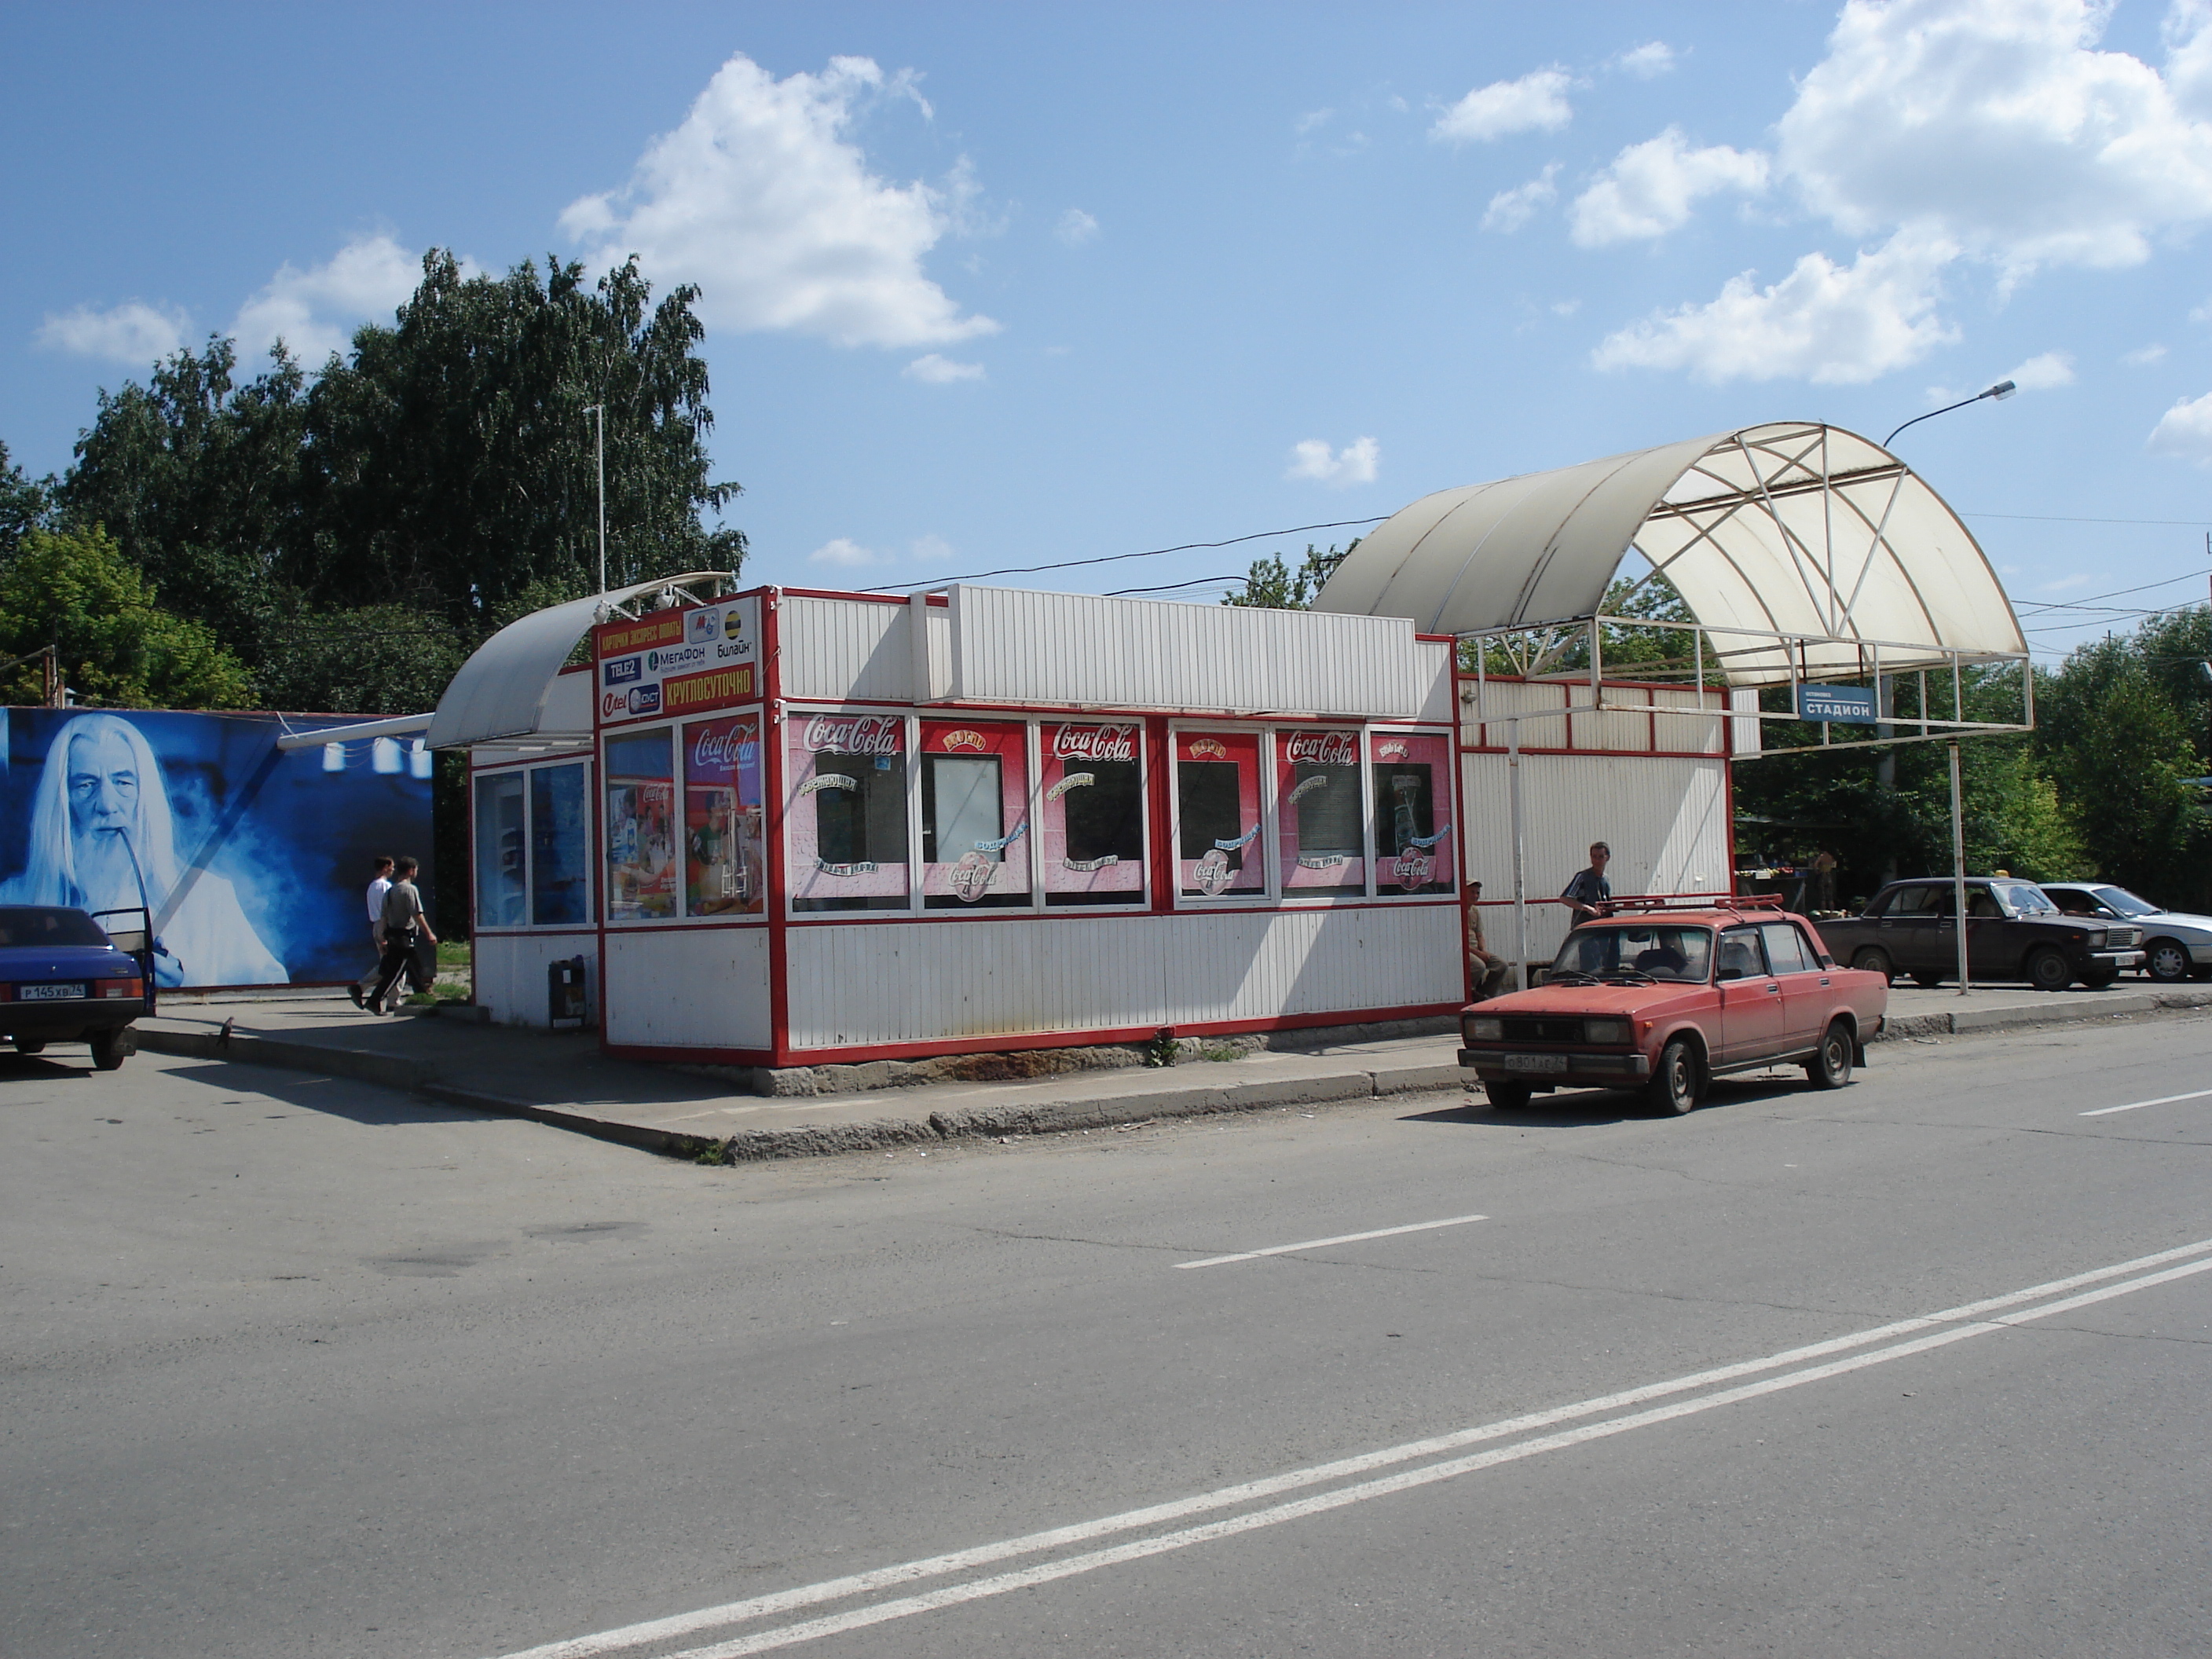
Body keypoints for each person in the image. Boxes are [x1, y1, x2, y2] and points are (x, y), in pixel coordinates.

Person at [0, 711, 286, 987]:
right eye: (85, 785)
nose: (107, 805)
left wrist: (185, 981)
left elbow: (269, 988)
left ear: (144, 794)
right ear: (62, 801)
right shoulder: (15, 898)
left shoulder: (205, 897)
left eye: (123, 783)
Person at [364, 856, 437, 1014]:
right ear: (411, 871)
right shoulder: (410, 890)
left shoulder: (391, 891)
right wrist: (429, 933)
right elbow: (417, 914)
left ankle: (423, 996)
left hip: (392, 935)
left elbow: (384, 916)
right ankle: (375, 1000)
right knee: (399, 972)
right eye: (416, 870)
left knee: (407, 970)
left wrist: (382, 938)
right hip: (404, 937)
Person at [348, 855, 394, 1009]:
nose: (393, 870)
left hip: (376, 925)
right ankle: (392, 1001)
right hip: (385, 926)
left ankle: (364, 989)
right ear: (386, 867)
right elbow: (387, 910)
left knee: (389, 964)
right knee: (392, 965)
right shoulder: (385, 887)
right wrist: (387, 932)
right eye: (392, 866)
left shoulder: (372, 887)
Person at [1464, 881, 1510, 1002]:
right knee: (1479, 966)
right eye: (1472, 892)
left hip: (1477, 950)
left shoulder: (1474, 911)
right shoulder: (1457, 910)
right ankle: (1469, 992)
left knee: (1501, 965)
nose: (1475, 896)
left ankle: (1485, 994)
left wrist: (1484, 951)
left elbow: (1480, 934)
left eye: (1477, 893)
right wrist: (1479, 954)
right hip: (1464, 950)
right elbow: (1458, 941)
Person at [1561, 840, 1612, 925]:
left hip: (1603, 925)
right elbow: (1565, 898)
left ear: (1608, 858)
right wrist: (1588, 908)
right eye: (1594, 857)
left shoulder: (1605, 879)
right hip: (1585, 927)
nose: (1597, 860)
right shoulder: (1582, 877)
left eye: (1601, 857)